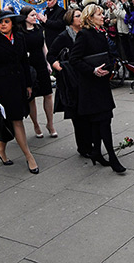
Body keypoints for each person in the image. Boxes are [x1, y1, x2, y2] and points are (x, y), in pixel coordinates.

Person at [70, 3, 125, 173]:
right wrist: (92, 70)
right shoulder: (84, 35)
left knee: (99, 122)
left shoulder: (100, 33)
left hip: (101, 83)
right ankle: (111, 156)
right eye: (99, 14)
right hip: (90, 86)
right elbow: (74, 59)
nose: (103, 17)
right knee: (103, 122)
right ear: (90, 18)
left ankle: (96, 153)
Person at [0, 10, 39, 173]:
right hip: (3, 87)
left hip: (20, 84)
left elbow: (24, 62)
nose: (3, 25)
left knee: (10, 120)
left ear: (12, 23)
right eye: (0, 22)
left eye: (6, 22)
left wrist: (29, 85)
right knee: (16, 120)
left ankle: (1, 150)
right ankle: (29, 156)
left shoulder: (20, 37)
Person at [48, 8, 93, 157]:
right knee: (77, 115)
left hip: (85, 78)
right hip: (70, 80)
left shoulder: (86, 33)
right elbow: (51, 54)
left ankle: (91, 142)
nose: (81, 18)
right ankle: (83, 147)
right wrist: (58, 66)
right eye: (78, 16)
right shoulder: (64, 36)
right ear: (71, 20)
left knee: (88, 113)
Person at [20, 6, 56, 138]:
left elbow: (43, 46)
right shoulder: (20, 32)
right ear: (25, 17)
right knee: (32, 97)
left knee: (48, 94)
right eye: (32, 15)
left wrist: (48, 62)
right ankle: (35, 124)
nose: (36, 17)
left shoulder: (39, 28)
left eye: (36, 15)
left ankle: (50, 124)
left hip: (41, 63)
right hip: (29, 66)